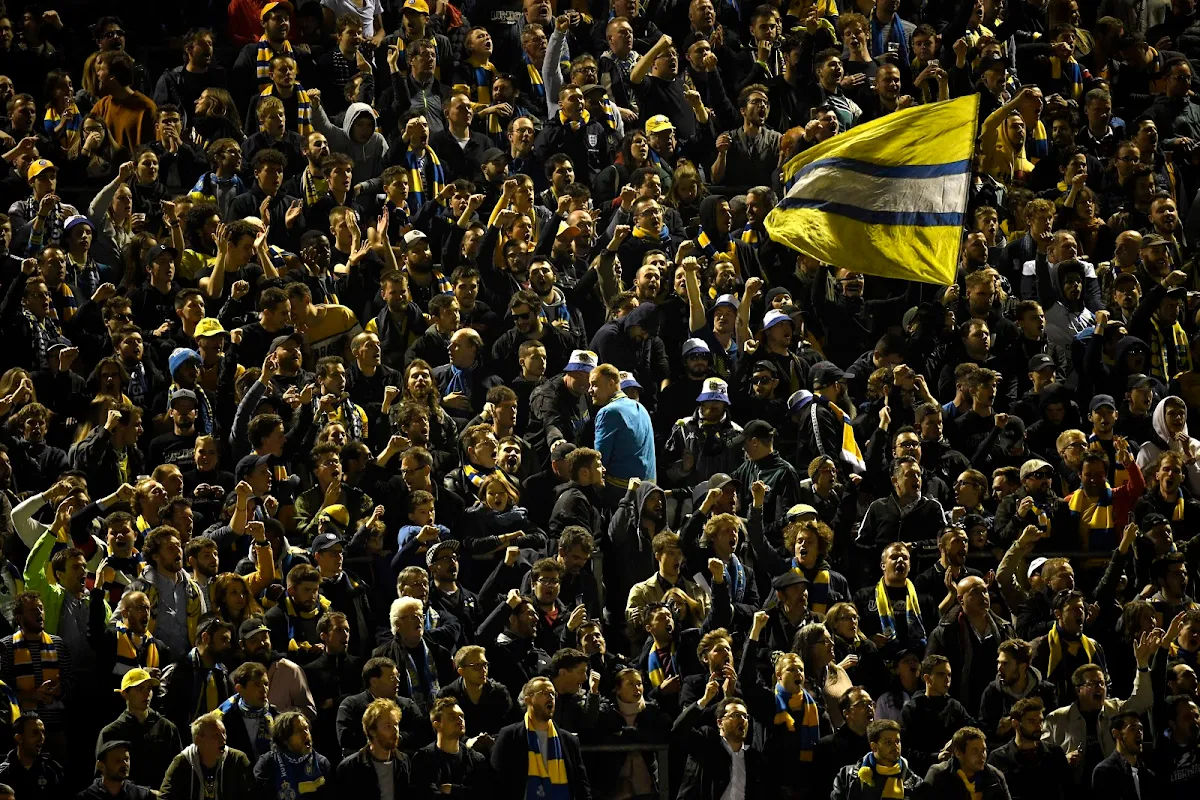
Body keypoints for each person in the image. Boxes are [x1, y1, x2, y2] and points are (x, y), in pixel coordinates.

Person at [489, 676, 591, 799]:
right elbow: (496, 783)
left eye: (553, 693)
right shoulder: (510, 736)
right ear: (528, 699)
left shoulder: (569, 740)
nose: (551, 697)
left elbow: (582, 787)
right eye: (544, 693)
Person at [159, 711, 256, 800]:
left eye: (224, 733)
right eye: (216, 735)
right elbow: (165, 796)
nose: (223, 739)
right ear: (198, 740)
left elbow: (251, 795)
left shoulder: (237, 760)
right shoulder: (182, 761)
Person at [409, 697, 492, 795]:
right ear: (437, 725)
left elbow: (484, 794)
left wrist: (452, 789)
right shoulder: (423, 759)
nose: (460, 720)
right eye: (452, 717)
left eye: (462, 716)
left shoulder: (476, 760)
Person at [333, 697, 410, 798]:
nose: (395, 730)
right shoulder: (349, 768)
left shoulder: (403, 761)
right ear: (372, 731)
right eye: (388, 726)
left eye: (396, 724)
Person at [831, 719, 925, 800]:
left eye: (897, 741)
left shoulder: (914, 782)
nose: (895, 746)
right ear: (874, 747)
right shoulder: (847, 776)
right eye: (888, 742)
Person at [78, 739, 155, 800]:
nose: (124, 764)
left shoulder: (141, 795)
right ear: (101, 765)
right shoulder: (86, 797)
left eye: (126, 759)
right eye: (117, 760)